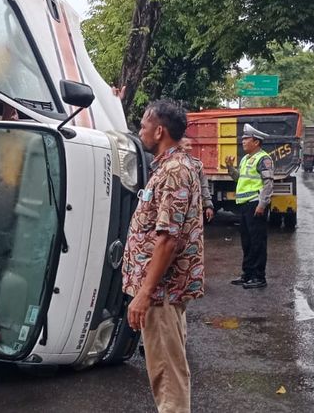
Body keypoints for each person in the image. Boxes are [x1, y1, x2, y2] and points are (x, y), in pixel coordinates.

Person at [123, 100, 204, 413]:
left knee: (167, 377)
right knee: (171, 371)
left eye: (144, 125)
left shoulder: (174, 171)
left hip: (161, 293)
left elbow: (168, 241)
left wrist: (144, 294)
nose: (140, 130)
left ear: (159, 131)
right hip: (162, 291)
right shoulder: (171, 168)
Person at [225, 123, 273, 289]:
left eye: (246, 139)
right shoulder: (246, 158)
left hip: (255, 204)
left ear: (256, 142)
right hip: (245, 205)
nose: (243, 141)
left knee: (257, 242)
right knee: (247, 242)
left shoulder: (264, 158)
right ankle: (247, 275)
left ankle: (259, 277)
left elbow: (268, 183)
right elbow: (240, 179)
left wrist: (262, 203)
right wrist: (230, 168)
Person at [180, 137, 216, 222]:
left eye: (191, 145)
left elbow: (204, 186)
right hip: (176, 208)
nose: (190, 148)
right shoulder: (170, 164)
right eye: (187, 145)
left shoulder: (197, 165)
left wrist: (208, 206)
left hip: (193, 210)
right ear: (179, 146)